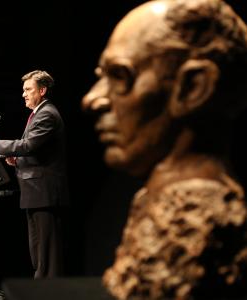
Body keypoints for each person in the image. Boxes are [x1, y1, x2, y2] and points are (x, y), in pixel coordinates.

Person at [81, 0, 247, 299]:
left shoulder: (200, 225)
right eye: (100, 77)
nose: (93, 99)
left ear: (194, 88)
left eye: (120, 77)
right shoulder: (159, 199)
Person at [0, 70, 69, 279]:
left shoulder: (47, 113)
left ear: (42, 90)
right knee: (39, 252)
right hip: (36, 194)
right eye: (23, 90)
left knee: (47, 254)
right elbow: (38, 151)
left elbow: (29, 145)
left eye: (28, 89)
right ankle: (42, 291)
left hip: (45, 193)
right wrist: (17, 159)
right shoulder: (38, 113)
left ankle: (50, 294)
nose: (23, 94)